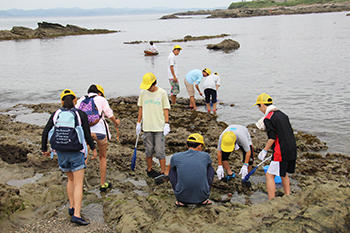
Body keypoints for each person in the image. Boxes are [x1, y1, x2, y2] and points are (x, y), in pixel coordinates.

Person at [41, 89, 97, 226]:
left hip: (60, 152)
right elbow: (87, 134)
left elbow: (45, 131)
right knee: (78, 183)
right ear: (75, 100)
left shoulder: (56, 114)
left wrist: (44, 149)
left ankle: (72, 207)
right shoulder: (80, 114)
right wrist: (93, 148)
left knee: (70, 179)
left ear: (61, 101)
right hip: (76, 152)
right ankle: (77, 215)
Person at [76, 84, 120, 192]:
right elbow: (109, 115)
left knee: (84, 156)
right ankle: (103, 184)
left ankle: (79, 184)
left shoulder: (81, 100)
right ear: (98, 93)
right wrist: (116, 122)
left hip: (86, 133)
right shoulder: (101, 99)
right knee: (102, 157)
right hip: (100, 132)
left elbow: (75, 115)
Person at [254, 93, 297, 200]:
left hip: (281, 151)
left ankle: (271, 200)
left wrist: (264, 150)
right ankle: (288, 196)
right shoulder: (282, 114)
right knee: (283, 173)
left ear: (263, 105)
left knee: (269, 175)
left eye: (259, 106)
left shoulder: (268, 118)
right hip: (292, 147)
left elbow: (272, 138)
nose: (259, 109)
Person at [136, 72, 171, 178]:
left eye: (149, 86)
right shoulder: (143, 93)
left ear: (154, 83)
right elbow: (141, 108)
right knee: (149, 150)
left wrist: (166, 124)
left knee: (160, 151)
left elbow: (165, 109)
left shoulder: (162, 93)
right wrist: (138, 123)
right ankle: (150, 169)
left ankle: (163, 171)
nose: (148, 88)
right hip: (147, 127)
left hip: (159, 127)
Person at [169, 133, 214, 207]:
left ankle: (180, 199)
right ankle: (204, 198)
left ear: (187, 145)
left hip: (181, 197)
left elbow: (171, 175)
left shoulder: (176, 157)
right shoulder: (206, 156)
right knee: (210, 169)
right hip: (202, 197)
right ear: (200, 146)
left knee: (173, 170)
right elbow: (210, 173)